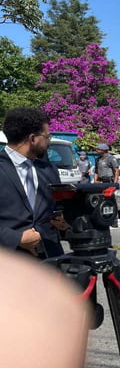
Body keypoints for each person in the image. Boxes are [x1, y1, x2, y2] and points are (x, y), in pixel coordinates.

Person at [0, 107, 65, 259]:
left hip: (50, 260)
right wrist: (16, 239)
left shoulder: (49, 170)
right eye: (47, 137)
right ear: (33, 139)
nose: (48, 141)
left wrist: (62, 222)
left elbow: (56, 209)